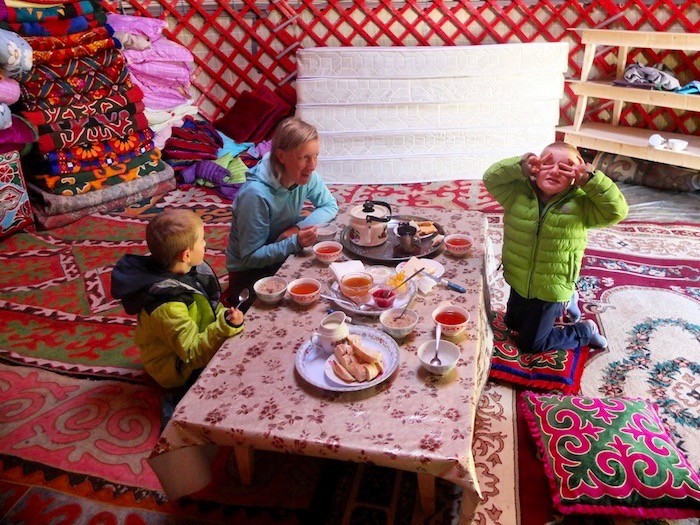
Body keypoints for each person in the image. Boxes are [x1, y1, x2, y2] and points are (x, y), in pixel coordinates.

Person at [483, 141, 628, 353]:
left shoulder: (582, 205)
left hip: (552, 285)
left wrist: (591, 181)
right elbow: (491, 178)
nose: (554, 171)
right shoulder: (517, 194)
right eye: (547, 164)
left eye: (565, 168)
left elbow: (617, 211)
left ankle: (584, 331)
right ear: (534, 169)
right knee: (512, 324)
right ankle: (569, 301)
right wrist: (519, 165)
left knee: (531, 344)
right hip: (519, 278)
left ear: (575, 176)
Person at [111, 209, 244, 427]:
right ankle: (177, 403)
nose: (206, 244)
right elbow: (191, 353)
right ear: (186, 254)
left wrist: (222, 315)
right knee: (228, 381)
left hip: (192, 336)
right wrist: (226, 326)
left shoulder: (184, 270)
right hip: (175, 367)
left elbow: (207, 305)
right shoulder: (167, 306)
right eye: (202, 240)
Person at [223, 117, 339, 308]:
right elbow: (250, 256)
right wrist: (295, 242)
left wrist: (297, 228)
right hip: (248, 272)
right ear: (282, 156)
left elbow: (329, 205)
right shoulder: (255, 196)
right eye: (304, 157)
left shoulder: (306, 176)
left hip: (280, 251)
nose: (312, 165)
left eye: (315, 156)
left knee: (327, 282)